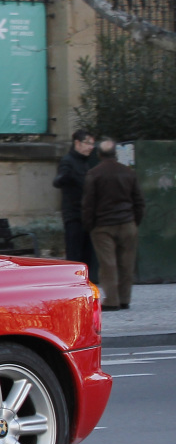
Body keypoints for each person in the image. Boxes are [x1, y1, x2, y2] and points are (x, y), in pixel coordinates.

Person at [82, 138, 145, 311]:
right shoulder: (129, 173)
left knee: (108, 264)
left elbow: (89, 203)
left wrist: (89, 225)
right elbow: (139, 201)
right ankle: (125, 299)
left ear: (99, 154)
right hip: (127, 223)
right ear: (116, 153)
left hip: (103, 225)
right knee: (127, 262)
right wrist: (134, 221)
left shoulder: (94, 174)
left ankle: (112, 300)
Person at [53, 130, 98, 278]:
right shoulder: (68, 161)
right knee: (75, 253)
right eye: (88, 143)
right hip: (74, 214)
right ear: (77, 143)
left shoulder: (85, 162)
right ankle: (73, 283)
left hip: (87, 214)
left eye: (92, 144)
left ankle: (85, 282)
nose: (91, 147)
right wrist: (63, 178)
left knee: (87, 254)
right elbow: (59, 180)